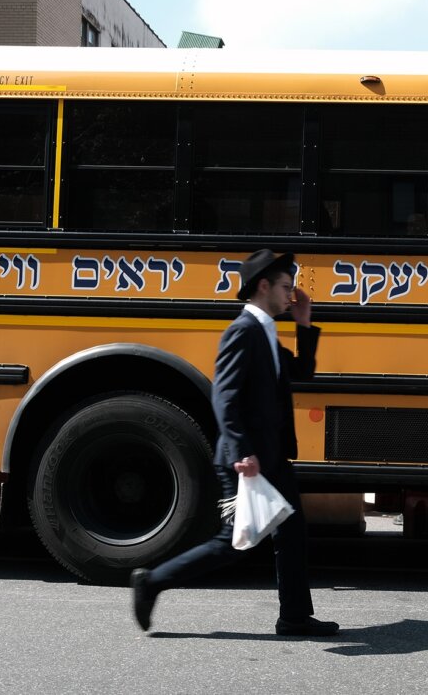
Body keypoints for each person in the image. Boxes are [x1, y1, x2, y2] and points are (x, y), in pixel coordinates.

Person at [131, 249, 340, 637]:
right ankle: (152, 581)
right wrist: (243, 452)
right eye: (284, 287)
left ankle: (294, 616)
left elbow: (301, 373)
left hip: (273, 456)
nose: (290, 294)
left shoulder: (266, 331)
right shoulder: (242, 331)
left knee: (292, 533)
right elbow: (224, 397)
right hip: (248, 458)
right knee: (234, 543)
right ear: (264, 286)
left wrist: (304, 324)